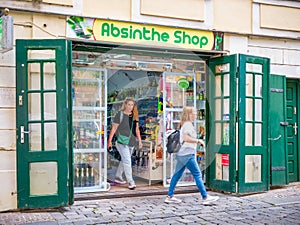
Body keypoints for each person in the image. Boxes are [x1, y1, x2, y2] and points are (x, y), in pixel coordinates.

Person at [165, 106, 219, 204]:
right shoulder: (188, 125)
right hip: (187, 154)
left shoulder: (185, 124)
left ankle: (170, 195)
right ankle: (205, 197)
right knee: (197, 174)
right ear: (189, 114)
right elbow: (186, 138)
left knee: (177, 175)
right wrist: (198, 140)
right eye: (194, 112)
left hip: (182, 154)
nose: (195, 114)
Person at [108, 97, 143, 190]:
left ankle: (118, 177)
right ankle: (131, 182)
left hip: (131, 141)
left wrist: (139, 140)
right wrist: (109, 141)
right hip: (121, 142)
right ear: (125, 105)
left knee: (125, 160)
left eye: (132, 105)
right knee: (127, 161)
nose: (130, 107)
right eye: (129, 104)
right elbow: (114, 128)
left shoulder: (134, 115)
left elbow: (136, 129)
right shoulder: (120, 115)